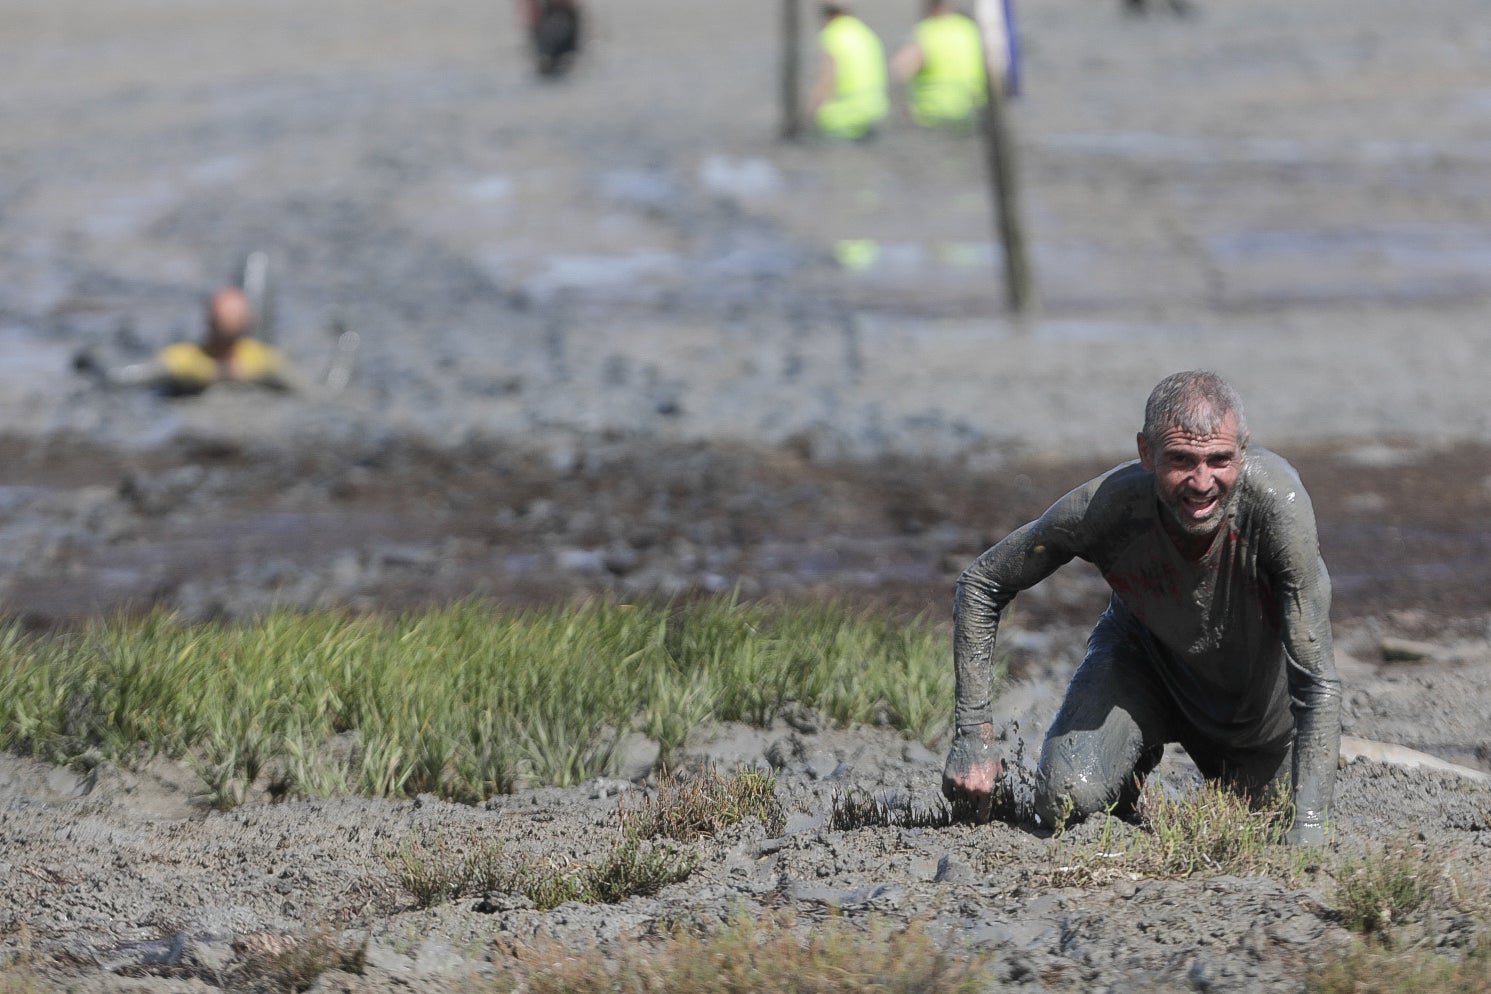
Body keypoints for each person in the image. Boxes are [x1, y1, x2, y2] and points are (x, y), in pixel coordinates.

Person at [941, 371, 1341, 846]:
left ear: (1244, 450)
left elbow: (1316, 682)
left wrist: (1312, 822)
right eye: (1181, 461)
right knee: (1063, 801)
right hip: (1142, 665)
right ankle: (1131, 756)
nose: (1201, 483)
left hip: (1249, 709)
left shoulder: (1279, 508)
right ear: (1146, 452)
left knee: (1272, 823)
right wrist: (972, 734)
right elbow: (983, 583)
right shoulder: (1107, 506)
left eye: (1219, 460)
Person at [77, 286, 293, 395]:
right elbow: (122, 377)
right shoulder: (184, 361)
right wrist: (89, 360)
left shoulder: (261, 360)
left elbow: (306, 389)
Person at [890, 0, 988, 130]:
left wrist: (906, 108)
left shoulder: (928, 32)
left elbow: (899, 70)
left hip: (935, 117)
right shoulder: (970, 29)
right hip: (971, 112)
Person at [807, 3, 890, 141]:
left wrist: (811, 112)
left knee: (813, 137)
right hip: (876, 111)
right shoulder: (864, 32)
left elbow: (827, 80)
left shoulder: (832, 35)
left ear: (826, 17)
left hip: (846, 115)